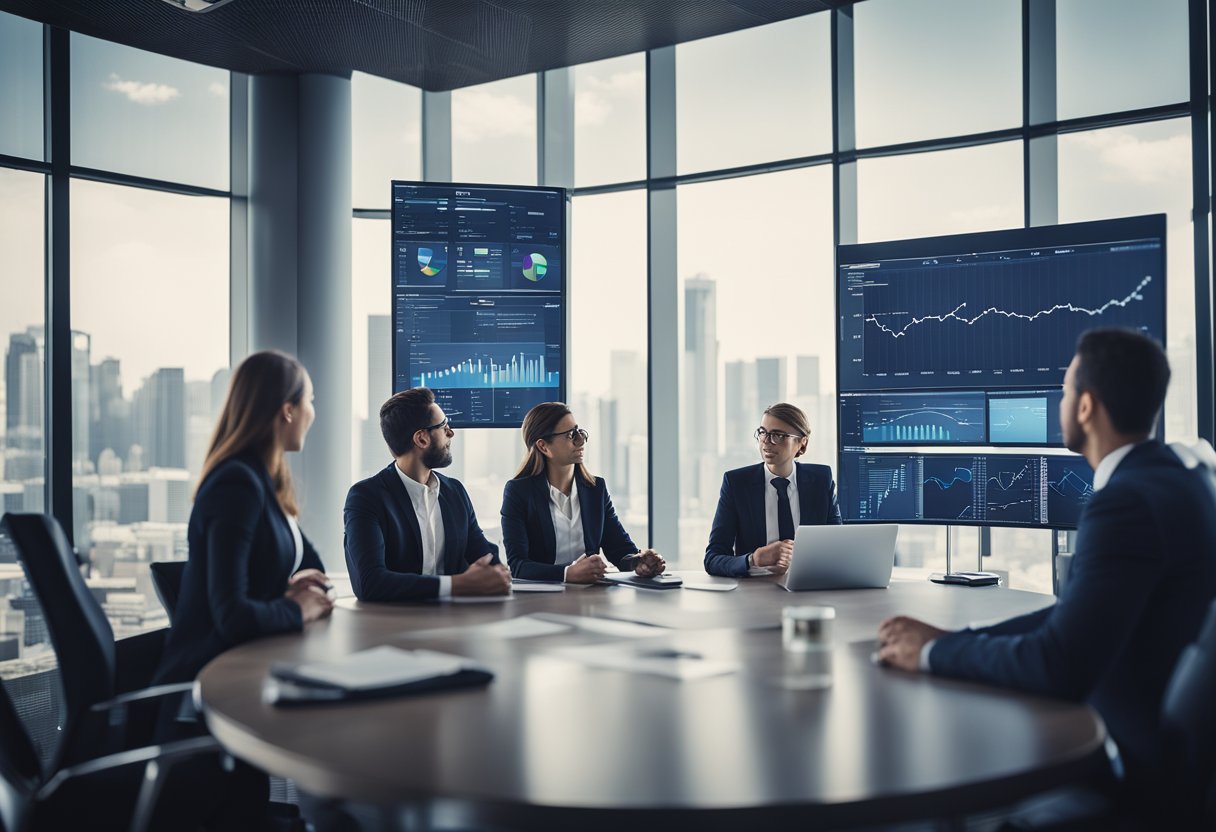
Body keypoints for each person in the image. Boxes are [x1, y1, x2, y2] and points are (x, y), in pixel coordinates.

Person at [876, 328, 1216, 813]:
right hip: (1160, 743)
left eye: (1064, 390)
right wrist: (956, 639)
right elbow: (1076, 619)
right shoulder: (1184, 477)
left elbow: (1059, 664)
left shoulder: (1124, 503)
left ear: (1085, 407)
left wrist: (935, 653)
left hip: (1122, 766)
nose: (1060, 402)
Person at [150, 350, 335, 828]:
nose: (315, 412)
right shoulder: (235, 484)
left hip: (243, 675)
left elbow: (311, 567)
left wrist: (294, 588)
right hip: (204, 698)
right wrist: (296, 610)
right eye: (310, 400)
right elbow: (230, 614)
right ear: (287, 409)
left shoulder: (264, 482)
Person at [344, 388, 511, 601]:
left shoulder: (455, 492)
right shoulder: (366, 497)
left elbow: (483, 554)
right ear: (421, 439)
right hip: (390, 625)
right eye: (443, 426)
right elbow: (370, 583)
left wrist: (495, 573)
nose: (451, 432)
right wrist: (457, 584)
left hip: (455, 622)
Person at [501, 402, 665, 583]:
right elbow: (518, 565)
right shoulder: (519, 492)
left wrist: (639, 562)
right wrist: (567, 574)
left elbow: (619, 549)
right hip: (538, 598)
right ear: (543, 446)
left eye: (579, 432)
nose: (580, 440)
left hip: (589, 595)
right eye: (571, 435)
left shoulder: (596, 489)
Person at [704, 402, 842, 578]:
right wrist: (753, 559)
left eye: (778, 435)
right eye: (763, 433)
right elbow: (712, 559)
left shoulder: (820, 480)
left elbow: (837, 547)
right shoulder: (737, 484)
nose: (766, 442)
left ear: (802, 443)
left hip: (809, 587)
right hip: (755, 590)